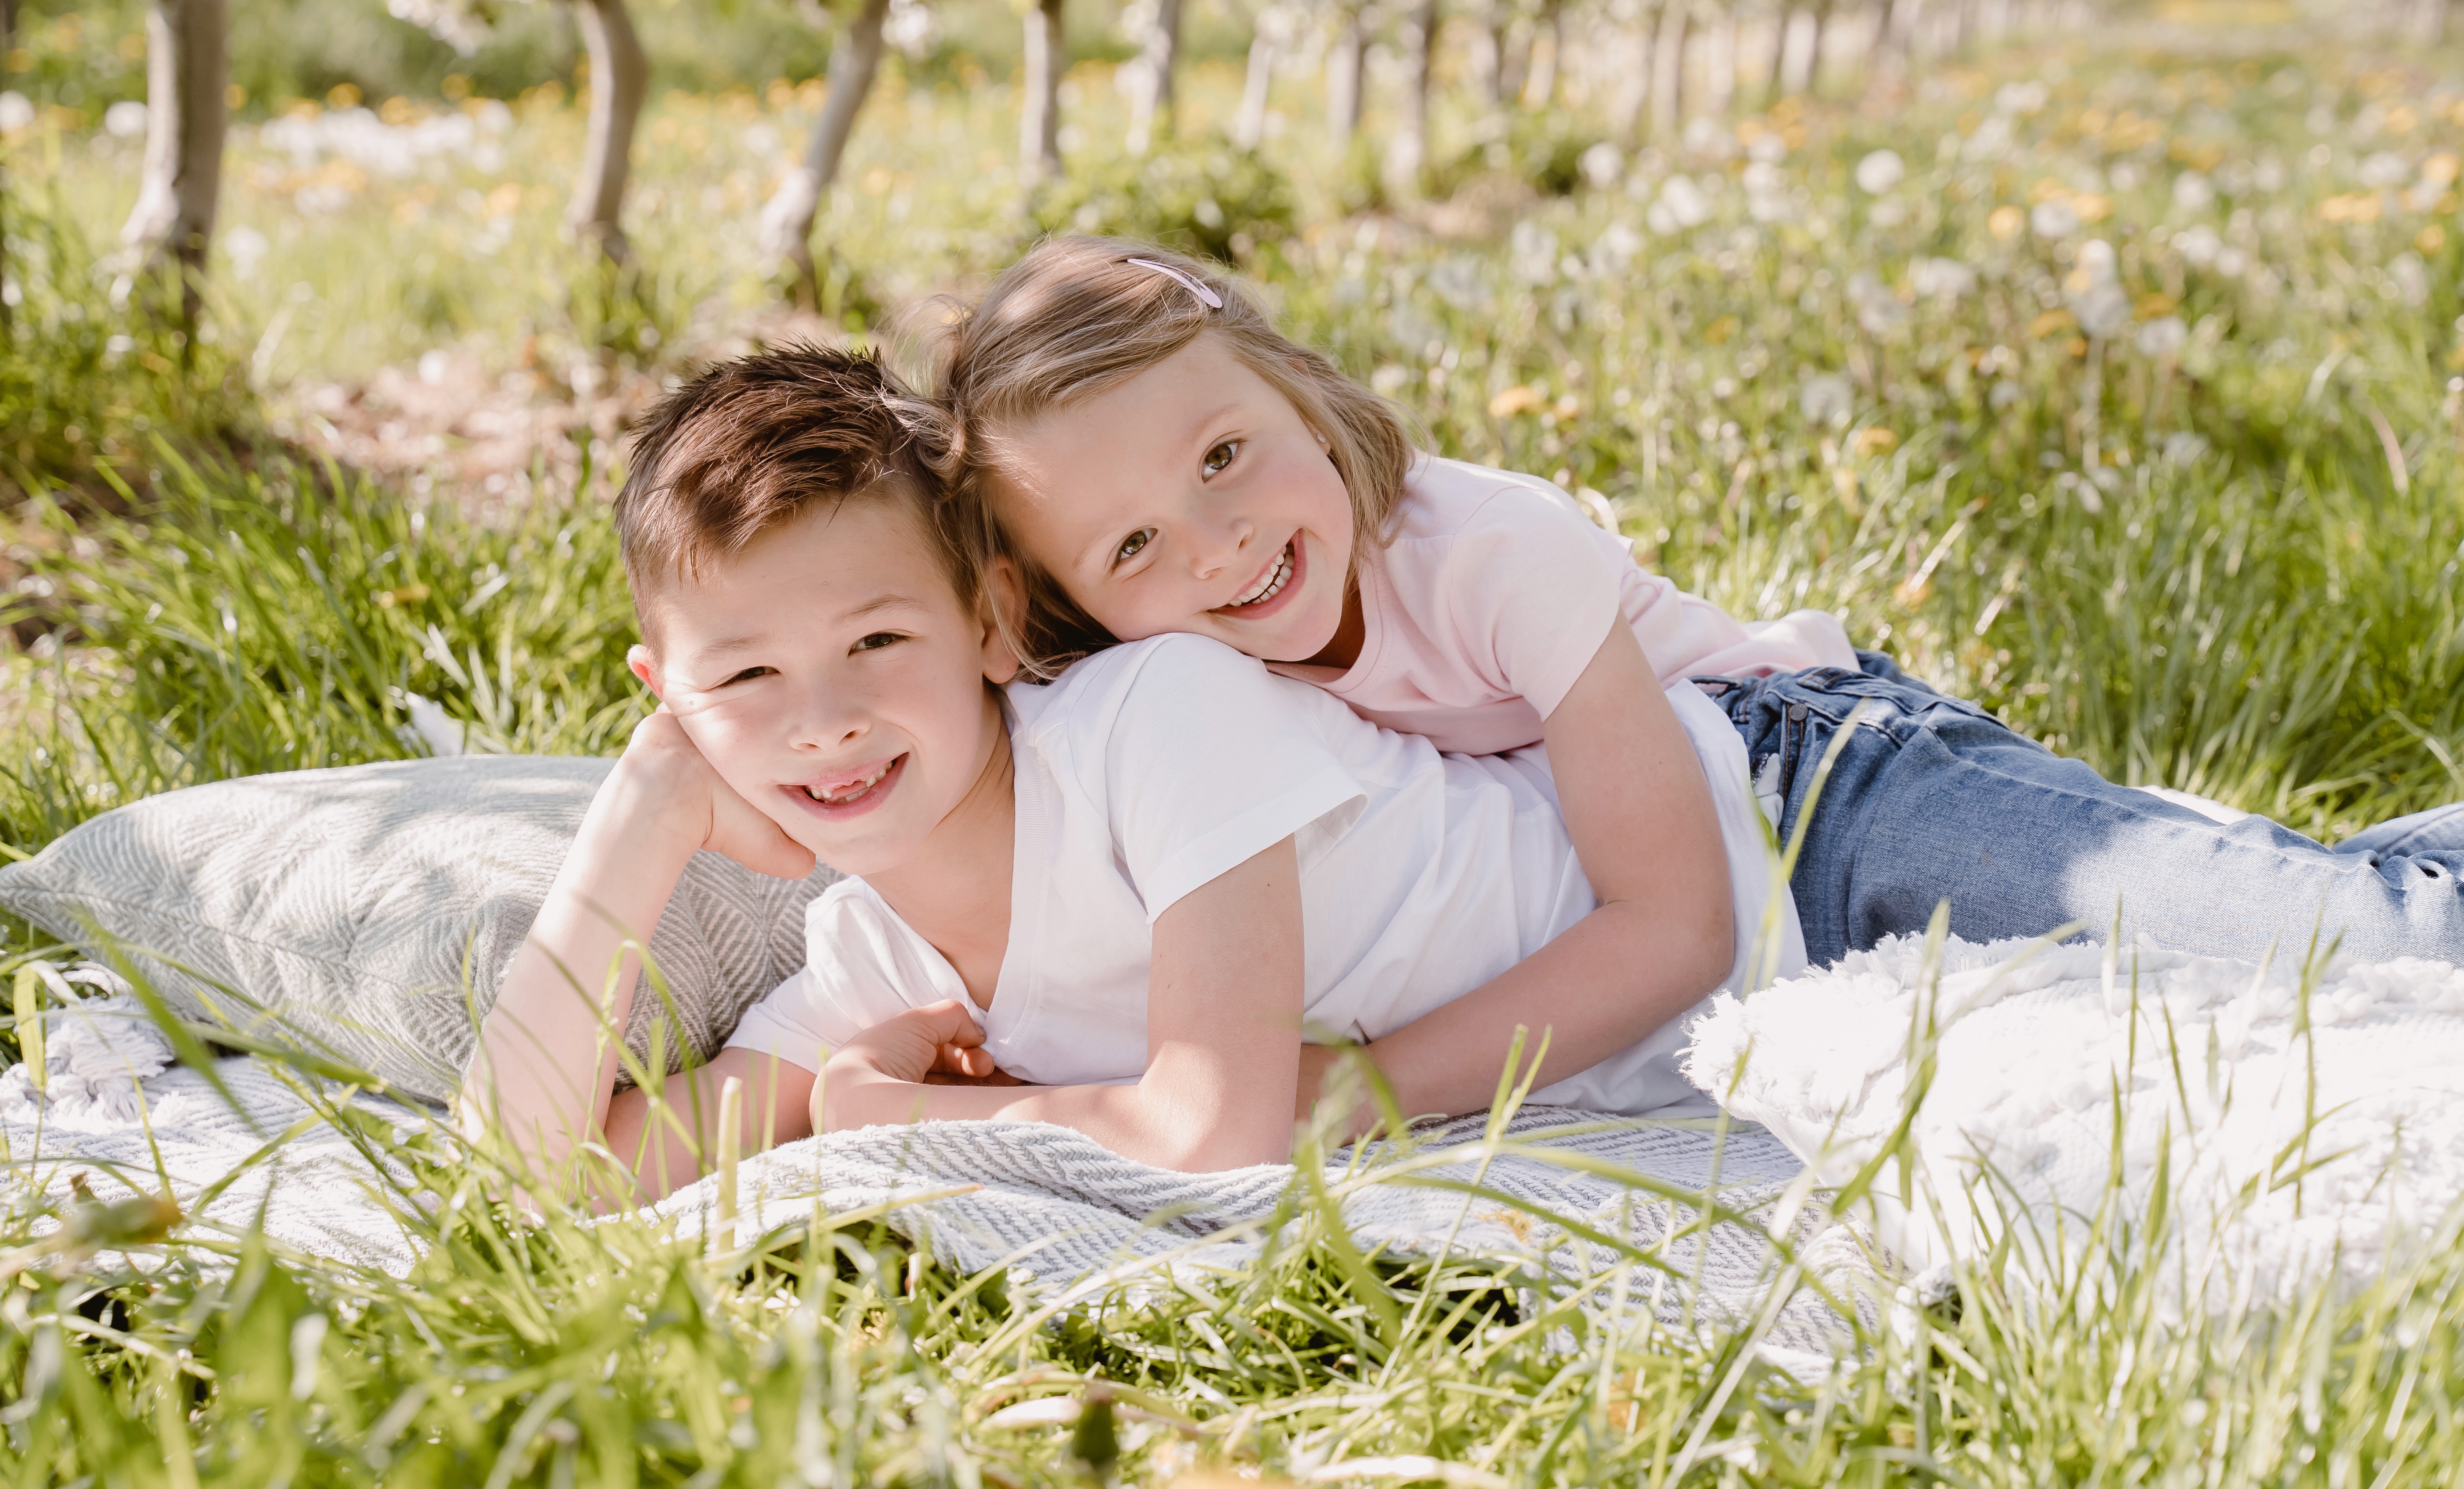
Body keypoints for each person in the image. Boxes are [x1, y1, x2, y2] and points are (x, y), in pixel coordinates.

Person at [929, 235, 2464, 980]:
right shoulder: (1163, 685)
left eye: (1225, 454)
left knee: (2346, 946)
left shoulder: (1484, 551)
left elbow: (1672, 925)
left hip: (1824, 789)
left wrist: (1379, 1093)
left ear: (1301, 396)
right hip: (1750, 871)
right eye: (1131, 547)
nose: (1218, 546)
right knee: (2259, 899)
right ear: (1063, 608)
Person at [466, 345, 1791, 1201]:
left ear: (990, 620)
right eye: (745, 679)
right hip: (1743, 1047)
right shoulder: (877, 965)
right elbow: (528, 1179)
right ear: (673, 705)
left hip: (1793, 854)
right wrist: (633, 828)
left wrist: (880, 1113)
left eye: (878, 639)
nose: (824, 722)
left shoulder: (1159, 718)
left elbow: (1216, 1134)